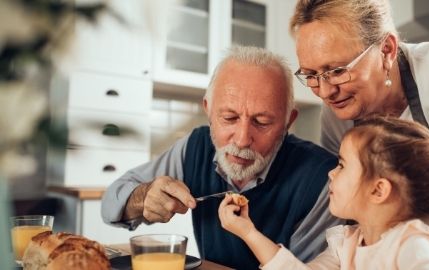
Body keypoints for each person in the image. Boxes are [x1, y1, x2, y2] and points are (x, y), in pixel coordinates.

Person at [101, 46, 339, 269]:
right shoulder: (195, 147)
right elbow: (111, 203)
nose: (243, 139)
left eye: (262, 122)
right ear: (208, 110)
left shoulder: (323, 179)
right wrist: (143, 197)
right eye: (229, 118)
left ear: (288, 122)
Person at [218, 116, 429, 270]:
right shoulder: (347, 243)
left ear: (378, 190)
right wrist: (248, 232)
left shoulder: (412, 246)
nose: (331, 173)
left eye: (341, 165)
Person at [288, 0, 429, 156]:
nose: (325, 92)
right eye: (311, 75)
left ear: (387, 50)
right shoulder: (336, 117)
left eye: (338, 71)